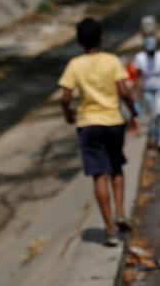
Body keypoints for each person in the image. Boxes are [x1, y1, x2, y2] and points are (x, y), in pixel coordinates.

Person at [58, 18, 140, 247]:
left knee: (99, 175)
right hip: (113, 121)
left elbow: (65, 97)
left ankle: (111, 230)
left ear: (78, 41)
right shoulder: (112, 61)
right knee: (116, 168)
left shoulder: (75, 65)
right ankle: (121, 211)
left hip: (88, 123)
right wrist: (134, 113)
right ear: (101, 37)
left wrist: (68, 113)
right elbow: (124, 91)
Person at [134, 34, 160, 152]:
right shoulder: (140, 58)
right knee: (152, 115)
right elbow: (138, 76)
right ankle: (154, 136)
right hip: (148, 90)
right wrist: (137, 93)